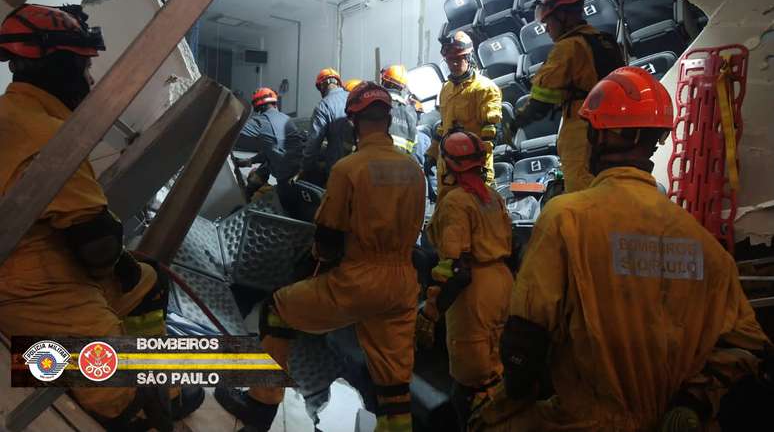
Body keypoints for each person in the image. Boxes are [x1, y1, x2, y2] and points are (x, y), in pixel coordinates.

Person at [471, 67, 771, 432]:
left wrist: (502, 406)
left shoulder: (566, 218)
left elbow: (525, 339)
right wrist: (691, 402)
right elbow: (747, 344)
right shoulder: (703, 244)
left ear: (605, 135)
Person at [0, 4, 203, 429]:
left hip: (22, 264)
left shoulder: (12, 115)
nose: (90, 80)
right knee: (130, 401)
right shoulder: (49, 137)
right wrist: (123, 260)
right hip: (35, 291)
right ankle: (144, 392)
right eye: (83, 66)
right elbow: (98, 248)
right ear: (58, 67)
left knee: (146, 279)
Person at [216, 82, 426, 432]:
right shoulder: (414, 172)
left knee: (277, 309)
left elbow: (328, 236)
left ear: (354, 122)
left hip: (359, 278)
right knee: (393, 383)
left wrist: (314, 266)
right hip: (402, 284)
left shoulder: (349, 168)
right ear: (388, 120)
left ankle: (260, 406)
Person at [418, 131, 513, 429]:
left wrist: (430, 312)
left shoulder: (456, 202)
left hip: (474, 295)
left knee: (472, 382)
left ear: (448, 165)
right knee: (498, 370)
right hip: (502, 283)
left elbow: (455, 269)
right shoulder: (493, 197)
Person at [511, 0, 624, 193]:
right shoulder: (605, 42)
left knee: (584, 199)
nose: (546, 29)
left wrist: (516, 122)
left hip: (583, 135)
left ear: (563, 16)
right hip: (613, 134)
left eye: (549, 22)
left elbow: (542, 99)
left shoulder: (568, 47)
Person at [425, 31, 502, 202]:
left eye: (458, 59)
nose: (453, 64)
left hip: (473, 171)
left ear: (469, 58)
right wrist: (431, 154)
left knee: (475, 218)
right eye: (449, 60)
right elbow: (443, 126)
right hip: (447, 171)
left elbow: (491, 130)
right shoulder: (446, 89)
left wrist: (476, 167)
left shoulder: (485, 88)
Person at [234, 87, 306, 215]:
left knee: (286, 213)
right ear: (274, 103)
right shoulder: (286, 118)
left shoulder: (262, 121)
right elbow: (274, 147)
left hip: (287, 182)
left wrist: (234, 107)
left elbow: (234, 128)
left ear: (258, 108)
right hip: (300, 174)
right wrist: (250, 161)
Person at [301, 67, 349, 184]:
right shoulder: (353, 97)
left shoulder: (324, 106)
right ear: (338, 82)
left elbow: (313, 142)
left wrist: (304, 167)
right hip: (359, 166)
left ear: (322, 86)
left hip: (338, 168)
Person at [380, 64, 418, 155]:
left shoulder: (377, 105)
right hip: (400, 163)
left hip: (375, 160)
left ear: (384, 81)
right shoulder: (410, 112)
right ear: (402, 88)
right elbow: (414, 145)